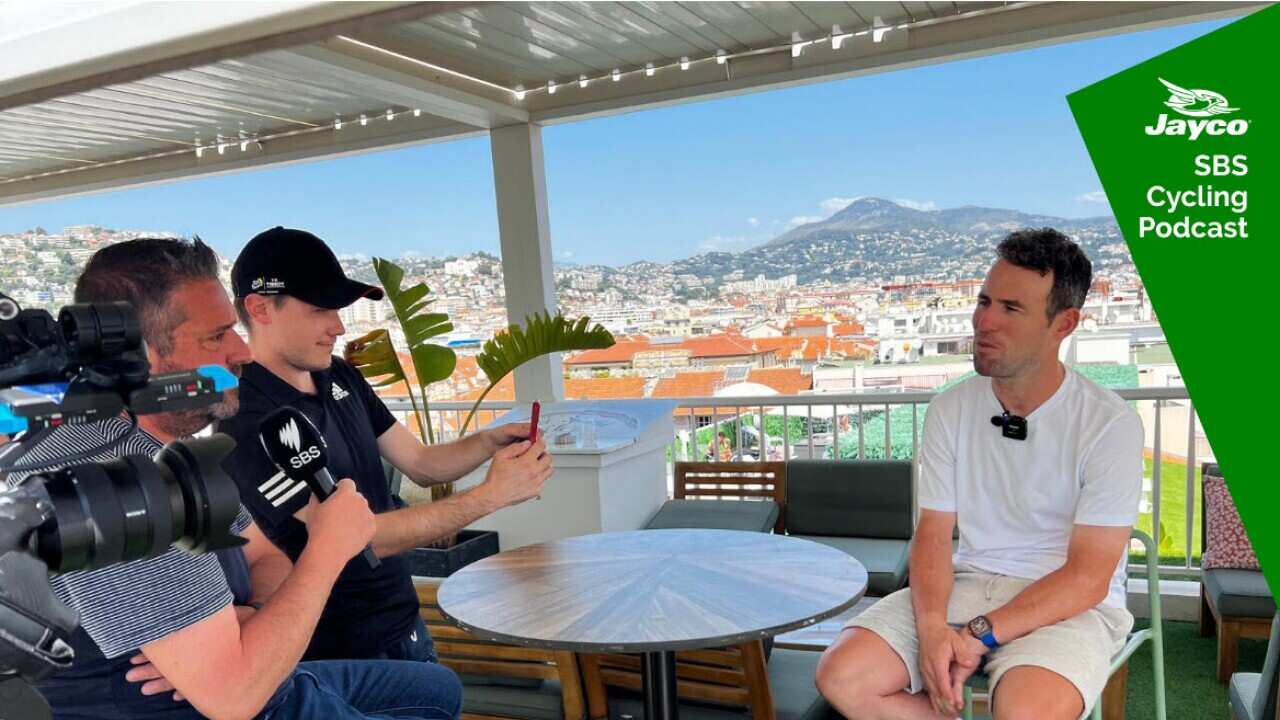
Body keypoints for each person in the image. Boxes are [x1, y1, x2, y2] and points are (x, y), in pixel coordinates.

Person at [9, 238, 462, 720]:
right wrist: (329, 548)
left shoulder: (163, 455)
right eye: (216, 336)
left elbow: (262, 552)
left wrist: (248, 620)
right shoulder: (117, 484)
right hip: (238, 703)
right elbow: (233, 698)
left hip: (264, 677)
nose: (242, 351)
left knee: (439, 691)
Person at [815, 228, 1143, 720]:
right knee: (842, 677)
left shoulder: (1108, 424)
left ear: (1064, 324)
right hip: (966, 585)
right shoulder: (951, 408)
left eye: (1011, 309)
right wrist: (930, 628)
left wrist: (976, 634)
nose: (984, 321)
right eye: (984, 301)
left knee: (1023, 712)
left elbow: (1088, 578)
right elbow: (932, 535)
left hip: (1064, 605)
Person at [216, 226, 552, 662]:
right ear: (260, 308)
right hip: (337, 651)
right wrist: (492, 496)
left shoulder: (338, 375)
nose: (337, 326)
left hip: (402, 622)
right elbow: (357, 540)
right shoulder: (247, 423)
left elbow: (420, 462)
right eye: (320, 309)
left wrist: (487, 441)